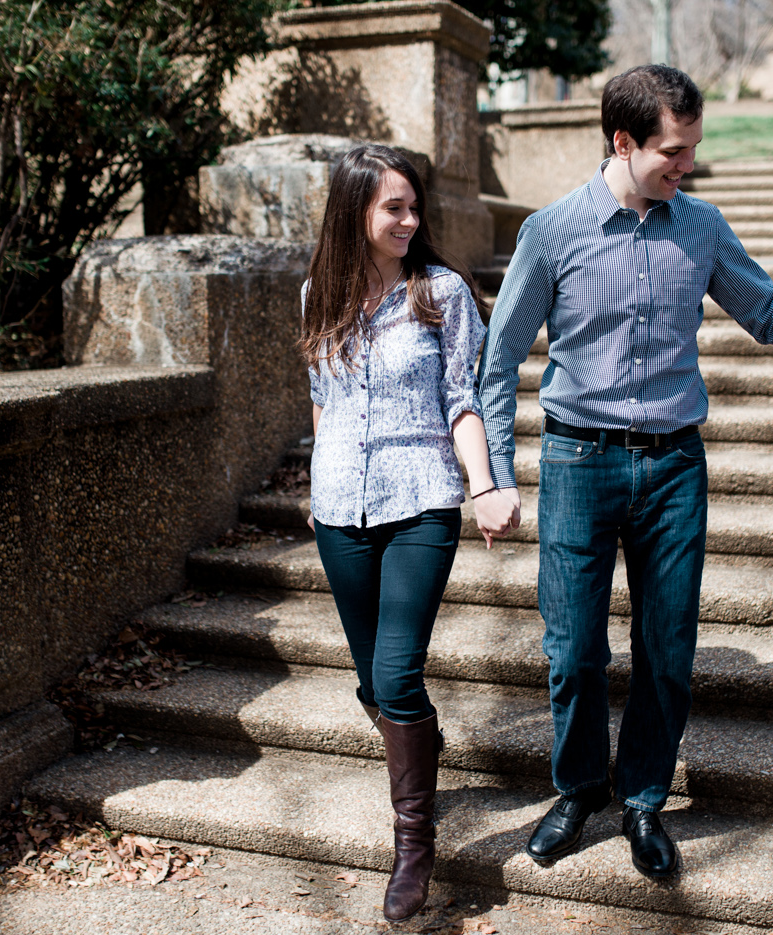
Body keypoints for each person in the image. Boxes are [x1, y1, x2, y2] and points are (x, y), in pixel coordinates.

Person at [475, 65, 773, 878]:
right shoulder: (551, 232)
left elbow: (771, 312)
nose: (688, 166)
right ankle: (578, 788)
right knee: (572, 651)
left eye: (694, 149)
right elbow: (498, 366)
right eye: (674, 151)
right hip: (577, 461)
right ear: (623, 140)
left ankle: (642, 798)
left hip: (675, 465)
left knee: (668, 647)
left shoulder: (700, 228)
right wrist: (492, 476)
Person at [301, 144, 515, 921]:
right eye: (393, 206)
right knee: (374, 684)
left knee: (395, 678)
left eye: (413, 206)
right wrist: (319, 485)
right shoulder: (316, 292)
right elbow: (322, 401)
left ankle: (413, 845)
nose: (409, 220)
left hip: (422, 499)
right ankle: (418, 741)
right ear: (354, 208)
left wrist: (484, 485)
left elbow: (464, 399)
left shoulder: (444, 292)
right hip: (340, 511)